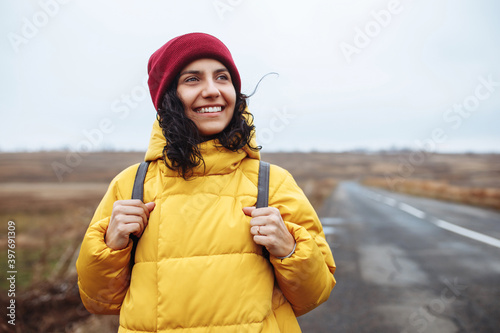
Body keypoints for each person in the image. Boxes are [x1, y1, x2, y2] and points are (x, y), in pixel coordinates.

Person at [76, 32, 336, 333]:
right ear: (168, 97)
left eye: (222, 77)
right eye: (192, 79)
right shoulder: (131, 185)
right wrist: (111, 246)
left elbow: (314, 294)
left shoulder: (272, 183)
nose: (212, 90)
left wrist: (289, 250)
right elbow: (98, 301)